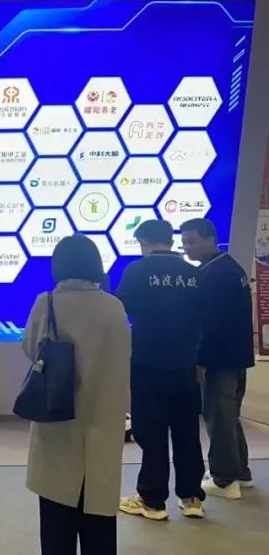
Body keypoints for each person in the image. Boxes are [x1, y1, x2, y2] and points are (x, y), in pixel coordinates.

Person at [21, 235, 129, 555]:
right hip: (103, 419)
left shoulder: (47, 303)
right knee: (99, 516)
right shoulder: (114, 307)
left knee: (56, 517)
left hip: (58, 417)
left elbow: (31, 348)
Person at [114, 220, 205, 520]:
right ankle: (192, 497)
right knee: (187, 431)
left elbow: (119, 309)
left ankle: (152, 500)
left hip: (147, 363)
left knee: (151, 433)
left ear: (143, 242)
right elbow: (204, 318)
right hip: (186, 365)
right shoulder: (193, 274)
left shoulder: (136, 271)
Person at [180, 218, 255, 499]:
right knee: (229, 416)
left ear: (210, 239)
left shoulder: (214, 274)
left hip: (219, 359)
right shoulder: (229, 266)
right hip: (235, 356)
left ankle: (225, 479)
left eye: (192, 241)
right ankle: (240, 472)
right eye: (184, 242)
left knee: (219, 418)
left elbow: (212, 324)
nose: (187, 248)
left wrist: (201, 359)